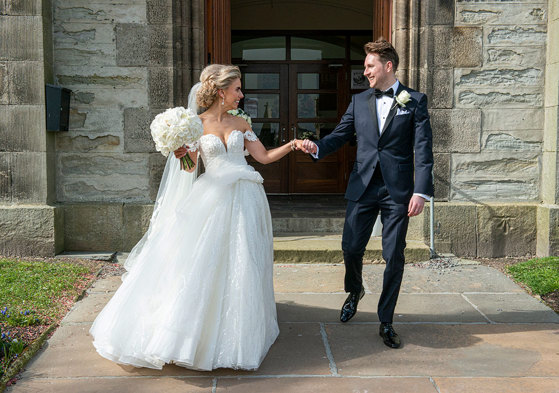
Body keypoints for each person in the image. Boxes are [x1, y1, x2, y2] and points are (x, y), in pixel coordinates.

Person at [90, 64, 302, 371]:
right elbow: (191, 168)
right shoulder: (196, 124)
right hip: (212, 198)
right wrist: (179, 152)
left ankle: (237, 334)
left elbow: (264, 157)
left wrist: (294, 144)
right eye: (237, 89)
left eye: (240, 89)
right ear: (221, 92)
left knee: (242, 262)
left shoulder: (242, 123)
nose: (241, 94)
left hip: (246, 197)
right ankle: (191, 335)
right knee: (204, 262)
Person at [301, 40, 434, 348]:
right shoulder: (359, 101)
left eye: (370, 66)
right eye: (365, 67)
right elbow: (340, 135)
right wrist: (317, 146)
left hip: (397, 192)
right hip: (362, 186)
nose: (365, 72)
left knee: (394, 256)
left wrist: (421, 192)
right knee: (350, 247)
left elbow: (423, 149)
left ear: (388, 66)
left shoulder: (414, 101)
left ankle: (386, 321)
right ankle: (355, 289)